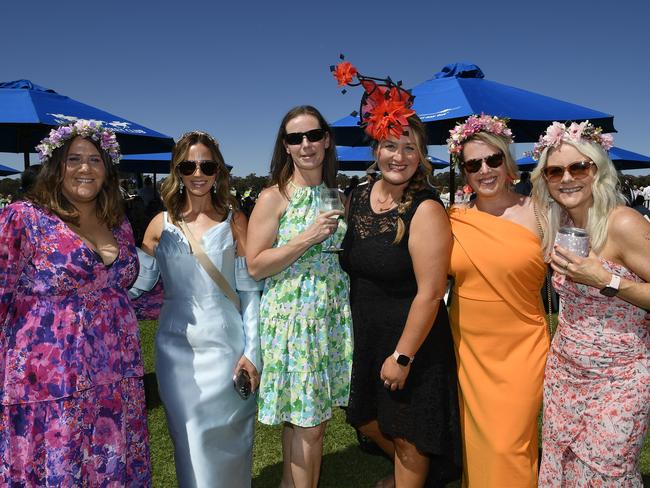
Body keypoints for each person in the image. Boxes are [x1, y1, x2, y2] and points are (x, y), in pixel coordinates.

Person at [0, 120, 151, 486]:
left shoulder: (118, 223)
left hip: (116, 380)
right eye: (74, 159)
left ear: (107, 169)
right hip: (50, 388)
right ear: (56, 166)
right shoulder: (25, 218)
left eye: (95, 160)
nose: (85, 168)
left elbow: (126, 291)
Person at [333, 60, 461, 487]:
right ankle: (423, 474)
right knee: (366, 419)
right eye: (390, 145)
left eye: (409, 148)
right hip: (367, 336)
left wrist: (403, 356)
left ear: (421, 156)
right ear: (375, 150)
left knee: (408, 435)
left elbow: (431, 291)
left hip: (413, 340)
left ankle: (412, 474)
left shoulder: (425, 209)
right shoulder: (358, 196)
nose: (399, 156)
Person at [137, 131, 262, 487]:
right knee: (191, 442)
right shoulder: (159, 226)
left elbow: (249, 292)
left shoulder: (235, 220)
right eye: (188, 165)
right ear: (177, 170)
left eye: (206, 164)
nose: (198, 172)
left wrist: (252, 353)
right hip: (178, 355)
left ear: (218, 170)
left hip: (229, 348)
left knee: (234, 443)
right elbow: (136, 285)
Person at [530, 121, 650, 486]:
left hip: (621, 378)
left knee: (603, 474)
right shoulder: (560, 222)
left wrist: (608, 281)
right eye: (555, 170)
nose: (567, 178)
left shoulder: (623, 223)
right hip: (565, 373)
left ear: (597, 171)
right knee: (561, 469)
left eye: (579, 167)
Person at [247, 105, 353, 488]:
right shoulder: (273, 197)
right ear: (286, 146)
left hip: (328, 315)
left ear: (326, 140)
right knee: (310, 427)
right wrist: (307, 237)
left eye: (313, 135)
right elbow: (256, 265)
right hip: (293, 319)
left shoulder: (335, 194)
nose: (305, 144)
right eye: (296, 138)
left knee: (302, 420)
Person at [446, 114, 550, 487]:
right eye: (474, 164)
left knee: (510, 445)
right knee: (479, 442)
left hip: (523, 348)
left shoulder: (540, 212)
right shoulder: (452, 219)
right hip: (470, 349)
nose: (485, 170)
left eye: (493, 160)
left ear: (508, 162)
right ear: (464, 171)